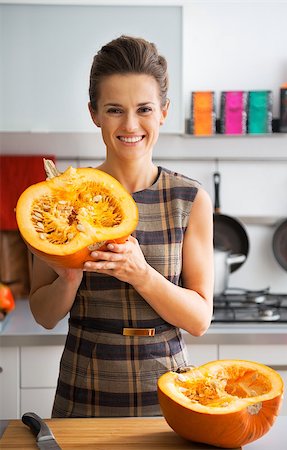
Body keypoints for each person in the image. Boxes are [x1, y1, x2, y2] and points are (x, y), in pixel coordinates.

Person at [29, 35, 214, 418]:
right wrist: (67, 278)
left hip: (170, 388)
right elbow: (44, 316)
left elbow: (199, 320)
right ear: (94, 113)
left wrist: (142, 274)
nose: (130, 125)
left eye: (144, 108)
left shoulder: (189, 199)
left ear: (163, 111)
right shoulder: (60, 199)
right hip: (85, 386)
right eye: (114, 110)